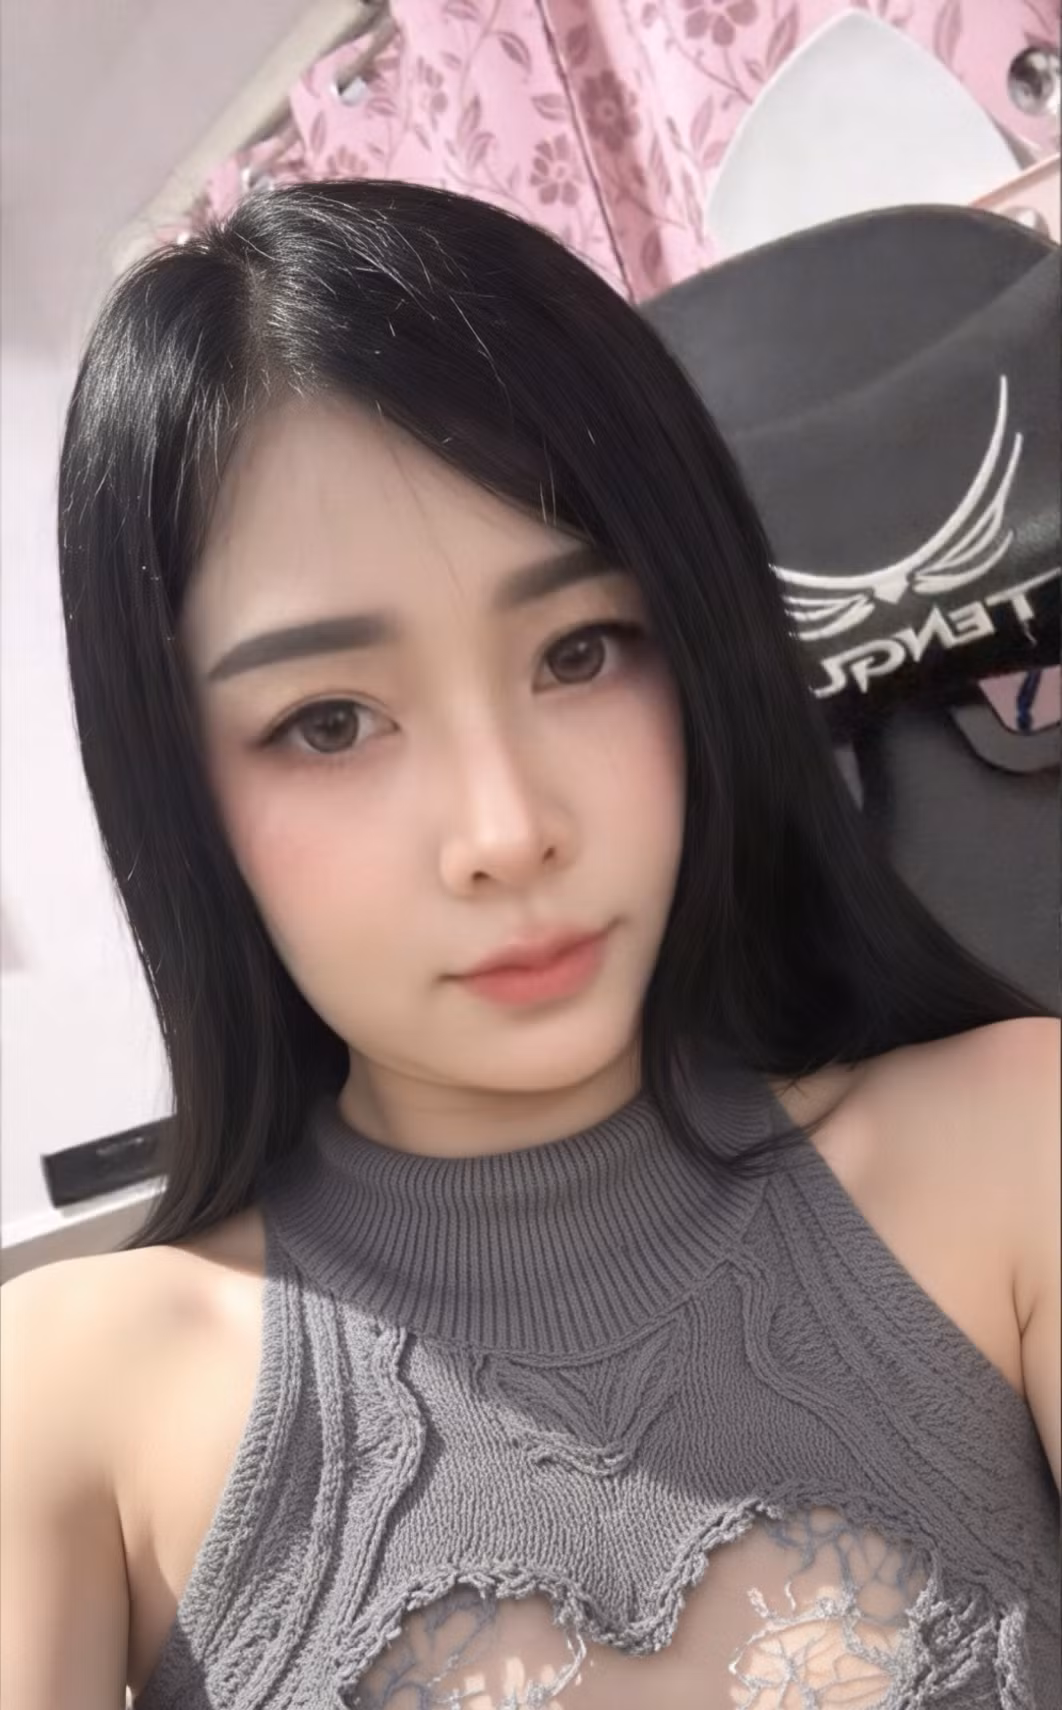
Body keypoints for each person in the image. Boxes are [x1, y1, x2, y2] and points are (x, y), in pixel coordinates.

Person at [1, 180, 1058, 1710]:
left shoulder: (1014, 1147)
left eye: (579, 650)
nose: (503, 830)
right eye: (329, 722)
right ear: (181, 790)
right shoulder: (69, 1401)